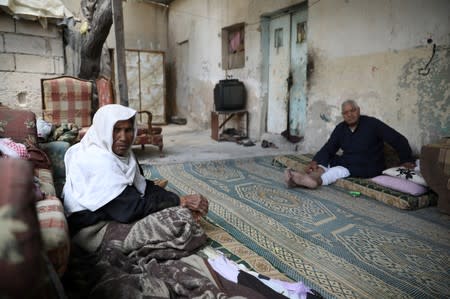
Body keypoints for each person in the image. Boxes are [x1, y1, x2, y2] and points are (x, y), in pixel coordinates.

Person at [63, 104, 209, 236]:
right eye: (116, 130)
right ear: (103, 131)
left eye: (128, 130)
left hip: (119, 209)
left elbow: (141, 185)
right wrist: (179, 201)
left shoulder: (121, 154)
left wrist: (176, 199)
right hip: (90, 226)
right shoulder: (96, 158)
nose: (124, 138)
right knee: (178, 227)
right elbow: (130, 209)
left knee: (169, 207)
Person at [285, 99, 415, 189]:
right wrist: (315, 161)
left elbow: (398, 139)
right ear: (343, 115)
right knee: (327, 157)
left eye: (352, 111)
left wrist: (406, 159)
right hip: (348, 161)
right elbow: (329, 147)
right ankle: (308, 178)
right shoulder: (341, 128)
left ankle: (314, 182)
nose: (350, 115)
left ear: (358, 110)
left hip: (369, 165)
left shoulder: (372, 124)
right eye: (346, 113)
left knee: (339, 170)